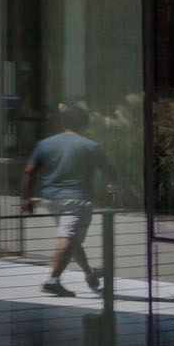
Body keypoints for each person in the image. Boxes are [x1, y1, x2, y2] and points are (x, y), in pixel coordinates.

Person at [21, 104, 118, 298]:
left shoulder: (45, 144)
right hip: (77, 200)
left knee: (70, 239)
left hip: (50, 200)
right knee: (68, 239)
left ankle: (89, 274)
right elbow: (108, 171)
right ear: (85, 123)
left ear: (63, 122)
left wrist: (26, 198)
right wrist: (113, 186)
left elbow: (29, 172)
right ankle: (52, 281)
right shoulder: (90, 146)